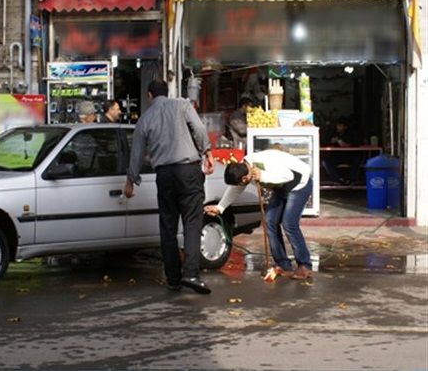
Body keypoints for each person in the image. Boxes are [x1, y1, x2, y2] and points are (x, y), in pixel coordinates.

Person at [124, 79, 215, 294]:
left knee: (167, 226)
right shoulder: (182, 105)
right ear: (168, 92)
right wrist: (207, 151)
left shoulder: (145, 119)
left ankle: (173, 278)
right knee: (192, 222)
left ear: (149, 95)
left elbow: (136, 154)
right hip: (188, 171)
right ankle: (191, 274)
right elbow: (200, 128)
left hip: (164, 174)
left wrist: (130, 182)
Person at [204, 149, 313, 279]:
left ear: (245, 178)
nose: (240, 185)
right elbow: (235, 189)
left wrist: (263, 176)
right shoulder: (244, 168)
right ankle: (283, 265)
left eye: (241, 183)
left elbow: (288, 176)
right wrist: (220, 207)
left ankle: (304, 265)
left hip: (299, 185)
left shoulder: (265, 162)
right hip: (280, 188)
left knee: (289, 223)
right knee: (269, 222)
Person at [321, 118, 361, 185]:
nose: (338, 127)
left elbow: (354, 143)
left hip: (348, 156)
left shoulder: (350, 133)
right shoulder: (333, 133)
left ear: (345, 127)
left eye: (340, 126)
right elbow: (324, 142)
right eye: (337, 125)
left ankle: (351, 180)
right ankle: (337, 180)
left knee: (357, 159)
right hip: (337, 156)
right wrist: (330, 141)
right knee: (325, 161)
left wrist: (344, 143)